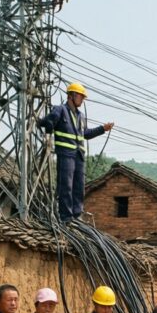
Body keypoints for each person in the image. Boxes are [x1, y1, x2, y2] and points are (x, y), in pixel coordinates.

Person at [38, 83, 114, 222]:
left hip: (79, 156)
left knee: (78, 187)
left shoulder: (81, 116)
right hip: (66, 154)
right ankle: (66, 216)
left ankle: (76, 216)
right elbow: (48, 122)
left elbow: (86, 133)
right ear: (71, 95)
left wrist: (103, 129)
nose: (82, 99)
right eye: (80, 96)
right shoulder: (60, 110)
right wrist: (43, 125)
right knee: (66, 185)